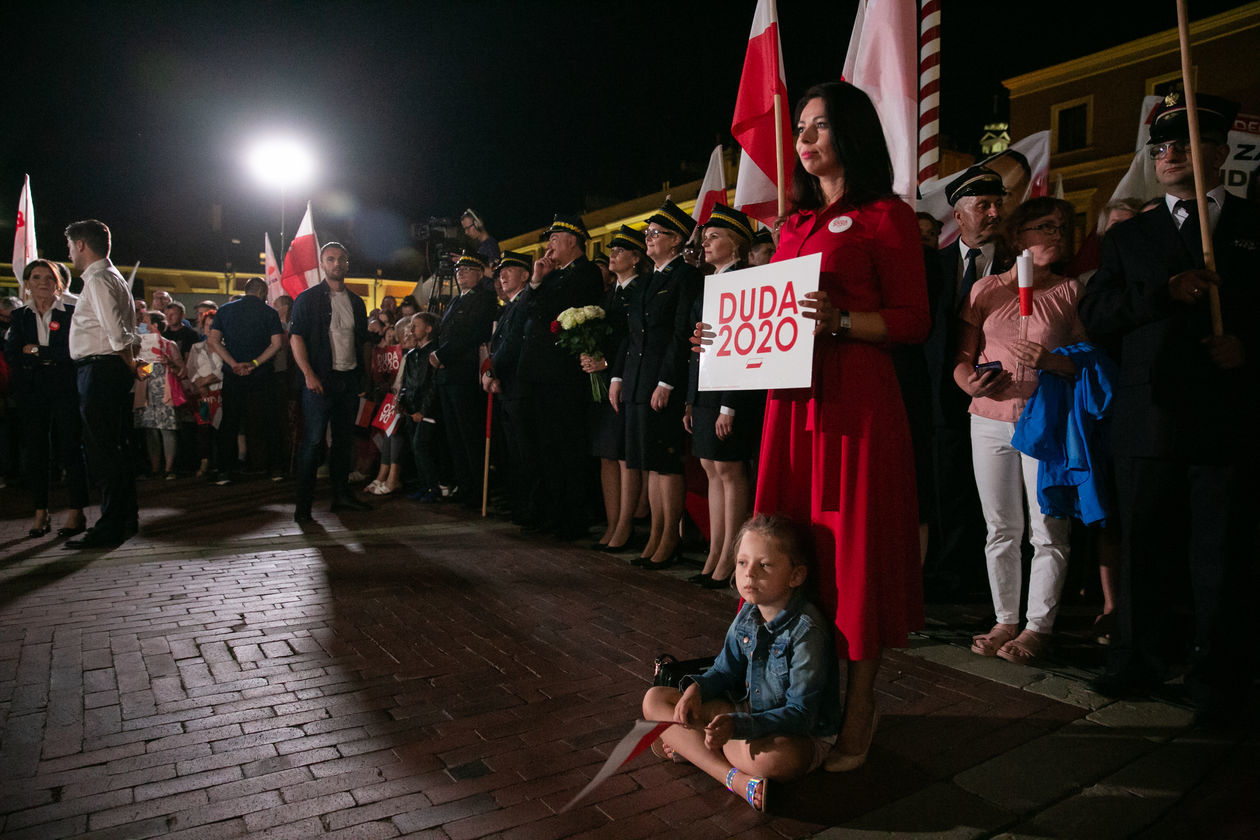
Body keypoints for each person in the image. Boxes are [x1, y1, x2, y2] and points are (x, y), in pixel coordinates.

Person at [749, 82, 930, 771]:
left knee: (854, 560)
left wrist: (844, 322)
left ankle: (860, 709)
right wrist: (724, 339)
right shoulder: (791, 226)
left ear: (851, 134)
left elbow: (914, 320)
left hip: (855, 406)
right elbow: (767, 316)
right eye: (800, 127)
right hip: (791, 408)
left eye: (820, 126)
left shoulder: (887, 216)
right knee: (790, 549)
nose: (804, 138)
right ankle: (792, 694)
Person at [1079, 92, 1258, 726]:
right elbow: (1097, 315)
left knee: (1220, 554)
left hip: (1227, 418)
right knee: (1144, 550)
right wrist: (1162, 293)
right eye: (1161, 145)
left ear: (1219, 151)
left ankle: (1219, 675)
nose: (1170, 153)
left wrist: (1248, 347)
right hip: (1148, 416)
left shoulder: (1252, 224)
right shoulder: (1130, 235)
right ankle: (1136, 660)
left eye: (1184, 143)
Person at [953, 196, 1087, 664]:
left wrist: (1053, 361)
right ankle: (1005, 617)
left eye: (1061, 228)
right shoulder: (986, 290)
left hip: (1043, 423)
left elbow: (1088, 363)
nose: (1056, 235)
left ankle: (1038, 626)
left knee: (1048, 526)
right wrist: (969, 379)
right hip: (988, 420)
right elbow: (961, 359)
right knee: (1000, 527)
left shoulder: (1070, 291)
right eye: (1044, 227)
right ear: (1017, 237)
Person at [641, 514, 840, 812]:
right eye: (742, 563)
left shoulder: (807, 632)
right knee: (655, 699)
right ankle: (732, 778)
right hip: (745, 714)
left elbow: (802, 715)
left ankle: (691, 747)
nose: (749, 575)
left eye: (765, 566)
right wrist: (696, 690)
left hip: (795, 734)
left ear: (796, 576)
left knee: (774, 759)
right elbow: (724, 670)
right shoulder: (748, 613)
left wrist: (738, 726)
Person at [922, 165, 1007, 602]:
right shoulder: (929, 266)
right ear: (959, 215)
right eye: (983, 205)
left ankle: (985, 582)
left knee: (994, 497)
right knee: (945, 489)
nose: (994, 212)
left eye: (998, 204)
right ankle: (946, 577)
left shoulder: (1018, 264)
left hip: (1001, 395)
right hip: (940, 397)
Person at [609, 200, 702, 567]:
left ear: (676, 240)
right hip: (636, 380)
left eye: (655, 234)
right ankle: (654, 537)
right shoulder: (648, 281)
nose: (648, 239)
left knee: (665, 463)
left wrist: (666, 381)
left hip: (663, 382)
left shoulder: (686, 276)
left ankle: (668, 539)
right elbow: (632, 337)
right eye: (647, 234)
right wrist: (618, 377)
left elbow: (680, 335)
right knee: (646, 463)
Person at [685, 205, 765, 588]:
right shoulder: (712, 281)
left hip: (728, 395)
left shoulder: (743, 280)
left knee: (730, 472)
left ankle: (733, 559)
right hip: (705, 392)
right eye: (706, 237)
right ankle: (715, 553)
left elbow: (743, 347)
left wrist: (728, 404)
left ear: (736, 244)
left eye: (714, 236)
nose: (706, 242)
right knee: (711, 470)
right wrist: (690, 398)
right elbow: (699, 346)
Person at [519, 214, 605, 540]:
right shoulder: (553, 276)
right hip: (542, 374)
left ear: (573, 240)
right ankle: (552, 512)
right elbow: (528, 309)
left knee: (568, 449)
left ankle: (572, 517)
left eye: (555, 239)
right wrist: (538, 279)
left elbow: (553, 311)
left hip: (565, 375)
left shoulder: (586, 274)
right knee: (547, 449)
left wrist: (544, 288)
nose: (549, 246)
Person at [65, 219, 140, 548]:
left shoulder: (98, 279)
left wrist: (129, 364)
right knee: (117, 449)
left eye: (70, 246)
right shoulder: (111, 277)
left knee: (103, 451)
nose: (68, 252)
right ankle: (125, 518)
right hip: (108, 369)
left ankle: (110, 524)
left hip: (100, 370)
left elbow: (116, 333)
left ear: (81, 245)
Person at [4, 259, 89, 538]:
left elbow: (73, 351)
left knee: (70, 449)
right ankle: (40, 512)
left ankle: (77, 511)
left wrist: (36, 352)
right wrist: (36, 353)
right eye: (36, 277)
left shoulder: (72, 312)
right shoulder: (20, 316)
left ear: (58, 283)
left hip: (64, 389)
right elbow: (11, 354)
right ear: (26, 283)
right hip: (32, 392)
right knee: (37, 453)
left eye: (48, 278)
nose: (42, 282)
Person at [289, 241, 372, 521]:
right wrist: (308, 374)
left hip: (347, 381)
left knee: (343, 442)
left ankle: (341, 496)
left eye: (341, 259)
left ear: (347, 264)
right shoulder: (307, 299)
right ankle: (303, 505)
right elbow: (296, 337)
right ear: (323, 264)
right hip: (319, 381)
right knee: (312, 442)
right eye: (331, 259)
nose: (337, 264)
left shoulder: (357, 302)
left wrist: (362, 377)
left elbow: (361, 342)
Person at [581, 226, 648, 551]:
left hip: (623, 379)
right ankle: (611, 524)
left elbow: (632, 339)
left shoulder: (639, 291)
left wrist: (608, 364)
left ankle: (625, 526)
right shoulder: (610, 295)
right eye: (613, 250)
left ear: (636, 258)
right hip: (602, 382)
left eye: (621, 250)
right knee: (606, 455)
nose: (613, 255)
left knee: (623, 456)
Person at [431, 252, 497, 505]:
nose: (460, 274)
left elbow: (473, 333)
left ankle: (478, 489)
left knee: (470, 434)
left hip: (465, 372)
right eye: (458, 270)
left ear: (480, 274)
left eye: (467, 270)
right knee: (454, 435)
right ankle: (464, 484)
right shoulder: (456, 301)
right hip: (448, 374)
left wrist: (442, 354)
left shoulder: (484, 298)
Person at [206, 277, 284, 484]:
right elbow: (276, 344)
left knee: (230, 421)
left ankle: (224, 471)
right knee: (269, 420)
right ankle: (275, 468)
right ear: (262, 293)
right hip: (262, 374)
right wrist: (255, 363)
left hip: (233, 374)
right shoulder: (270, 313)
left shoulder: (225, 310)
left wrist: (233, 364)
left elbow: (213, 340)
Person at [482, 251, 533, 522]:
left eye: (510, 269)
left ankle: (528, 506)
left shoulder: (525, 302)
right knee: (512, 451)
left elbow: (514, 343)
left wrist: (493, 370)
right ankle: (519, 502)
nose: (502, 274)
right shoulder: (510, 305)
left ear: (526, 275)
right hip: (506, 387)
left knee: (524, 452)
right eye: (500, 270)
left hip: (518, 386)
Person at [399, 311, 444, 501]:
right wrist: (403, 402)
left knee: (421, 446)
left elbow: (433, 385)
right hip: (412, 410)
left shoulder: (433, 353)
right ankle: (424, 486)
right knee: (415, 447)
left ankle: (433, 488)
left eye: (415, 325)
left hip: (427, 411)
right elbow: (406, 382)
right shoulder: (411, 355)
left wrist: (423, 411)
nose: (411, 329)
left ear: (428, 329)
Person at [133, 318, 184, 480]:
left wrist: (169, 362)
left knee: (167, 430)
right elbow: (140, 371)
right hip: (147, 393)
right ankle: (155, 468)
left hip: (164, 392)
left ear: (155, 325)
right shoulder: (140, 346)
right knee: (150, 431)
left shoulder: (169, 345)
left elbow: (182, 371)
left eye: (146, 322)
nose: (143, 325)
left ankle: (169, 468)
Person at [461, 209, 500, 273]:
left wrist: (469, 265)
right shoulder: (483, 246)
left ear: (478, 224)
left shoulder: (490, 245)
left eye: (468, 228)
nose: (466, 232)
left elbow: (494, 273)